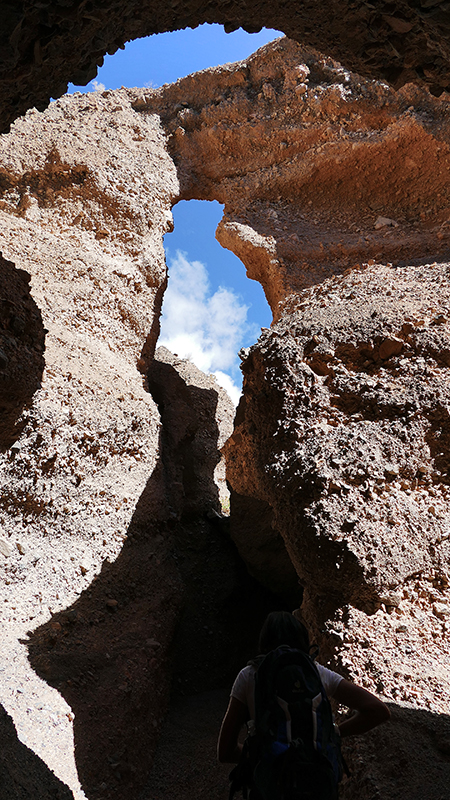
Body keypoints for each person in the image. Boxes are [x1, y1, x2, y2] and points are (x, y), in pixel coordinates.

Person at [218, 610, 390, 764]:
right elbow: (378, 711)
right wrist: (332, 733)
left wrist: (260, 757)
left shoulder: (248, 676)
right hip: (315, 782)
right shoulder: (317, 673)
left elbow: (225, 752)